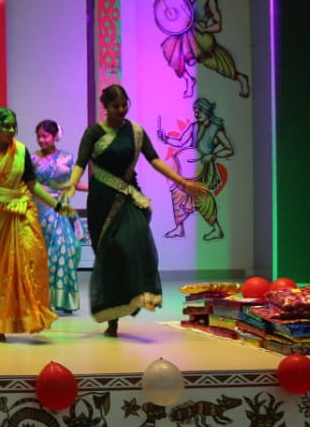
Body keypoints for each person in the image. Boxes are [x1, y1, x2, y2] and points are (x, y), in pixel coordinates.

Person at [60, 84, 209, 337]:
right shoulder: (94, 133)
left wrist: (183, 182)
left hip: (129, 198)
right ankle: (113, 319)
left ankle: (138, 295)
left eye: (124, 105)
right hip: (101, 201)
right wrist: (72, 184)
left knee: (132, 243)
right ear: (105, 107)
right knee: (108, 257)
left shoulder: (136, 131)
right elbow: (81, 163)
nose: (122, 110)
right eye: (116, 106)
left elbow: (155, 160)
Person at [0, 108, 74, 341]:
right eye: (6, 126)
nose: (11, 130)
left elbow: (32, 185)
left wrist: (58, 205)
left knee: (32, 261)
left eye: (13, 126)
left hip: (23, 212)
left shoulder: (20, 151)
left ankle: (33, 317)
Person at [159, 97, 234, 240]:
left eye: (199, 110)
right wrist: (166, 139)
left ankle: (217, 229)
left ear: (207, 111)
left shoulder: (216, 130)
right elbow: (180, 141)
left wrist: (213, 155)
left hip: (204, 169)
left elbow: (229, 149)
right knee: (177, 192)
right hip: (188, 169)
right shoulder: (194, 126)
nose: (197, 113)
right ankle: (179, 228)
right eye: (195, 111)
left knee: (202, 197)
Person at [33, 120, 86, 314]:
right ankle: (44, 299)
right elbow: (29, 185)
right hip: (42, 208)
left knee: (69, 248)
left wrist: (97, 188)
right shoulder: (32, 159)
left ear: (55, 136)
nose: (41, 140)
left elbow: (73, 184)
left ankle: (63, 298)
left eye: (45, 136)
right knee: (49, 252)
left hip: (62, 208)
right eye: (38, 136)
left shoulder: (67, 157)